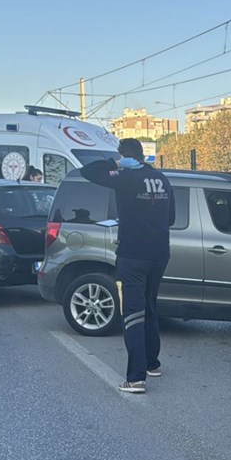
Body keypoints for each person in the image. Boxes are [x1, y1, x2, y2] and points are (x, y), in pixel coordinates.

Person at [80, 139, 175, 393]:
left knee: (133, 313)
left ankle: (135, 378)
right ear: (142, 154)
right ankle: (152, 363)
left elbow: (87, 171)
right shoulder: (161, 179)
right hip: (159, 253)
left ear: (124, 156)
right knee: (149, 306)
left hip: (133, 254)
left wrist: (116, 164)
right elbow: (172, 217)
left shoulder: (124, 177)